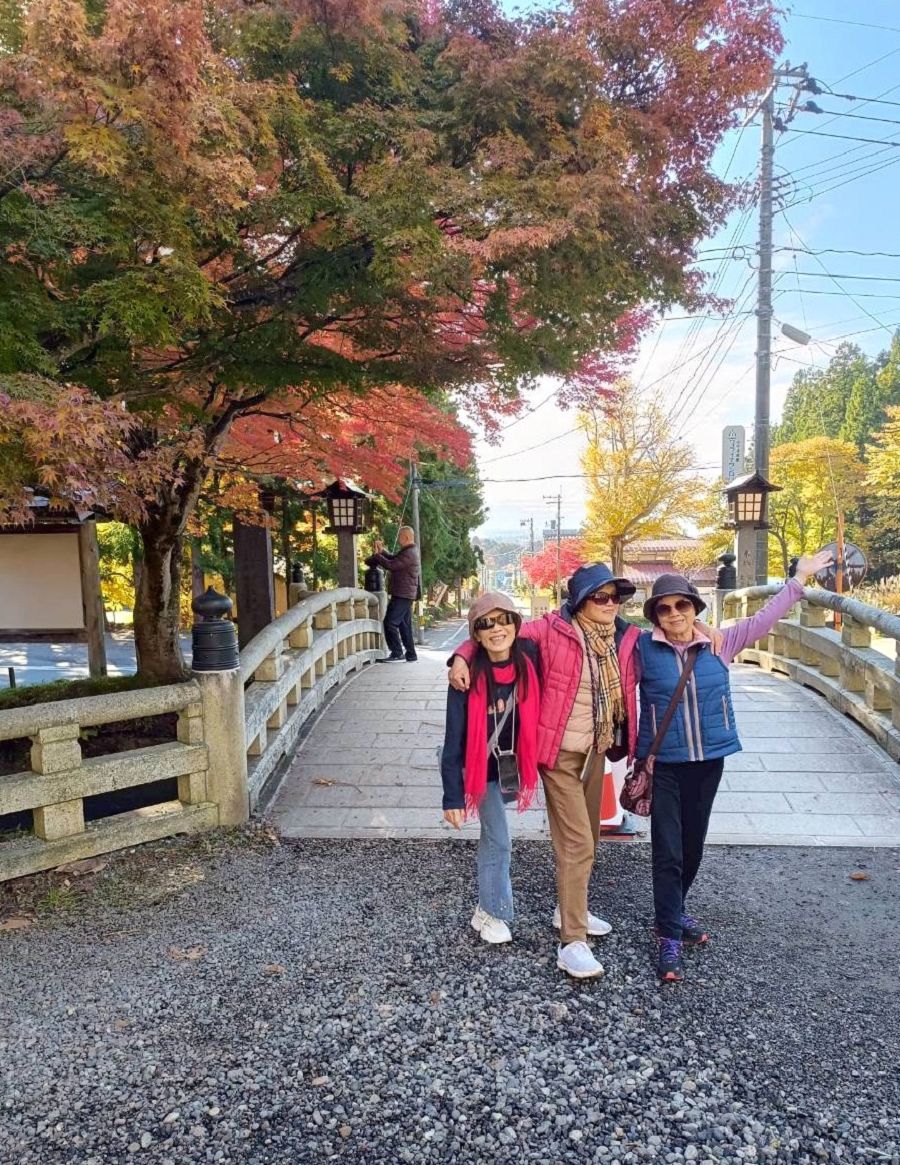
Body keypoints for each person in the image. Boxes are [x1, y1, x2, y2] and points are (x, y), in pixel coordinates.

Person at [638, 550, 832, 983]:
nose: (673, 613)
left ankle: (674, 911)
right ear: (655, 614)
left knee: (692, 848)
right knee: (667, 850)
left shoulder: (720, 644)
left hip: (708, 761)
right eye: (664, 607)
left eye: (682, 605)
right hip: (665, 762)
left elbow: (766, 619)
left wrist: (798, 579)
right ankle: (668, 935)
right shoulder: (641, 649)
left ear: (694, 607)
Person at [450, 564, 643, 979]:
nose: (610, 605)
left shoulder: (626, 638)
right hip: (557, 754)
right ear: (580, 601)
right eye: (600, 597)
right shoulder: (550, 631)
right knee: (578, 844)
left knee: (589, 838)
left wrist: (703, 632)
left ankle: (569, 908)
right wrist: (460, 655)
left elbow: (670, 644)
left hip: (597, 749)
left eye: (615, 597)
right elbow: (496, 633)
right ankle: (573, 942)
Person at [440, 593, 541, 944]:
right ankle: (497, 912)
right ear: (476, 635)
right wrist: (451, 796)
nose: (496, 629)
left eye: (503, 620)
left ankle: (483, 909)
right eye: (486, 624)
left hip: (513, 766)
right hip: (480, 770)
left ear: (516, 623)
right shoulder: (464, 679)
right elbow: (453, 739)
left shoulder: (530, 656)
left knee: (490, 838)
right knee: (500, 840)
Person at [365, 526, 420, 662]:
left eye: (400, 537)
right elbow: (393, 558)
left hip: (402, 593)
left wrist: (377, 556)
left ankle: (396, 652)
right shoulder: (409, 551)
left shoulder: (410, 552)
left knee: (390, 622)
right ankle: (411, 654)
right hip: (405, 593)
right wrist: (382, 551)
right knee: (404, 625)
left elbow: (392, 565)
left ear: (406, 537)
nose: (399, 540)